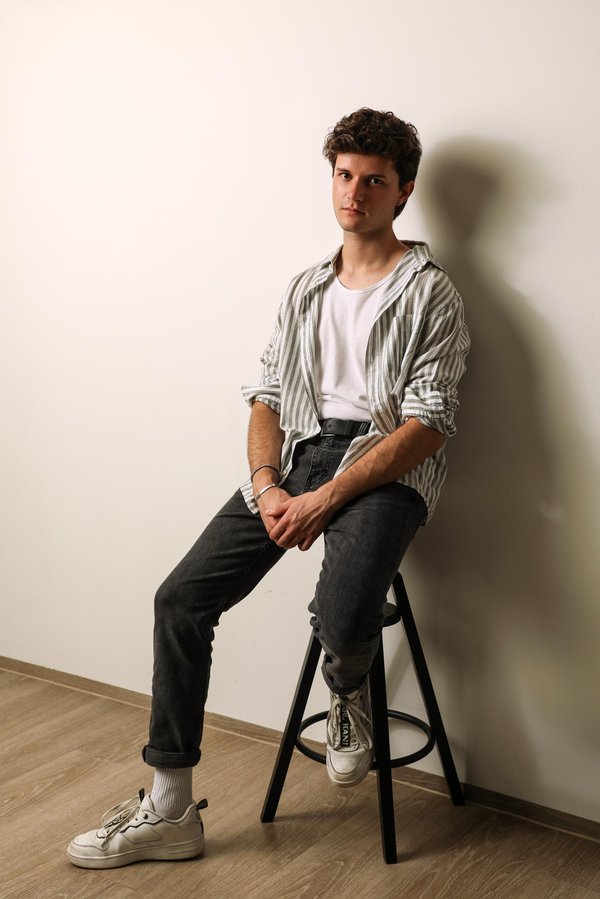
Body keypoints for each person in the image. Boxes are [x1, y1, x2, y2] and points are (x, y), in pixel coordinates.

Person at [67, 107, 470, 869]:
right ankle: (170, 807)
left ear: (404, 191)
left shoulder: (431, 293)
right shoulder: (306, 287)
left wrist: (330, 496)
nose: (354, 192)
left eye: (374, 180)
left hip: (388, 466)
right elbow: (269, 396)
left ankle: (347, 689)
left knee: (341, 611)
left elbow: (429, 424)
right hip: (299, 458)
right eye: (344, 175)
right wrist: (267, 483)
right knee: (180, 599)